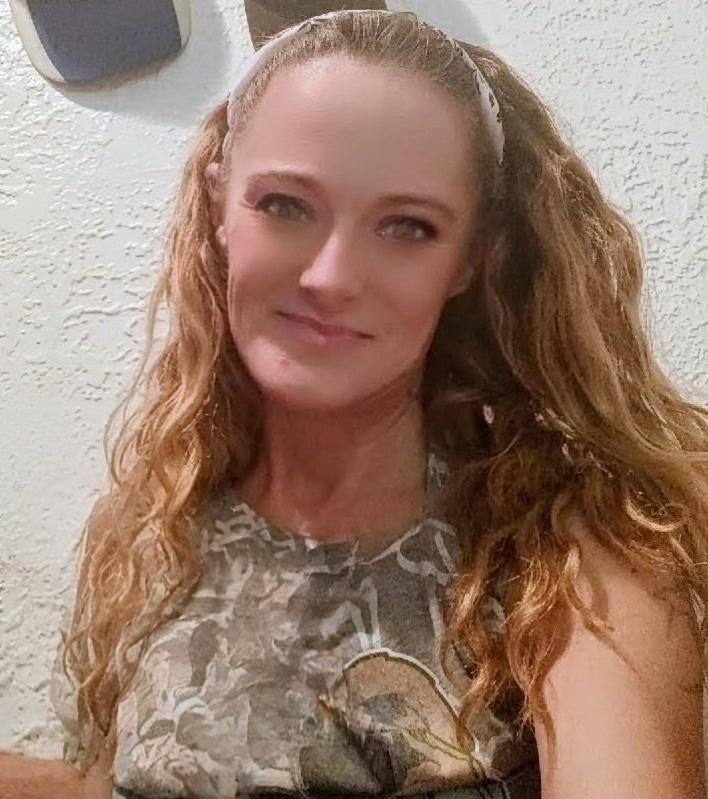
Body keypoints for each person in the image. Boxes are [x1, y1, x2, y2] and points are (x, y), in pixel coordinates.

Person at [1, 7, 706, 799]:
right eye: (285, 205)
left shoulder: (573, 551)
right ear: (220, 204)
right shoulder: (162, 520)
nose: (331, 276)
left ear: (471, 258)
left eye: (406, 226)